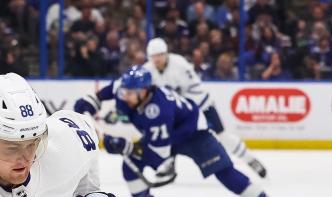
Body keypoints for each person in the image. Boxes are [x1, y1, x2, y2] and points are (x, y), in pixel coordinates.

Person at [99, 66, 291, 197]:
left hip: (194, 135)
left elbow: (159, 154)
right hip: (165, 136)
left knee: (227, 175)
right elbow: (115, 87)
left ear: (144, 92)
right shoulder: (132, 93)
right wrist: (93, 99)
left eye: (130, 93)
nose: (126, 96)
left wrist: (125, 146)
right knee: (130, 167)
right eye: (126, 92)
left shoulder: (158, 110)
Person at [75, 38, 269, 181]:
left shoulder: (180, 65)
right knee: (164, 136)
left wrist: (185, 113)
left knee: (223, 135)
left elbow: (195, 93)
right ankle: (167, 166)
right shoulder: (148, 69)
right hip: (175, 113)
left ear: (166, 54)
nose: (157, 59)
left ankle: (249, 159)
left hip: (200, 106)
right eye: (153, 56)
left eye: (160, 55)